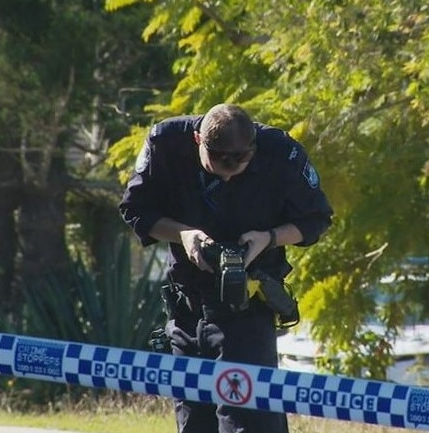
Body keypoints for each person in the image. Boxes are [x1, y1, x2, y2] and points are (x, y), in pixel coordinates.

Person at [119, 103, 333, 433]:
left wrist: (269, 238)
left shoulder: (282, 153)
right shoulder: (165, 143)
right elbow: (136, 210)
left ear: (254, 149)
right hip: (187, 311)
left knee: (250, 424)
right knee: (194, 425)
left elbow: (316, 219)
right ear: (197, 141)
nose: (229, 173)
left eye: (240, 165)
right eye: (218, 165)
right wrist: (184, 235)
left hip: (247, 311)